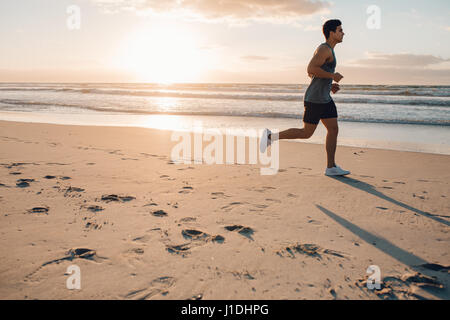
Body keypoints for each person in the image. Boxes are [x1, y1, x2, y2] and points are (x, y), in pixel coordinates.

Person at [260, 19, 350, 176]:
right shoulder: (324, 49)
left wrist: (329, 85)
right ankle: (270, 136)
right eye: (340, 30)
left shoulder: (329, 50)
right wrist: (333, 76)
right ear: (331, 32)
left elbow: (313, 74)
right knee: (306, 133)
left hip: (324, 98)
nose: (343, 33)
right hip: (315, 99)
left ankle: (331, 167)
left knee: (333, 129)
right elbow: (311, 68)